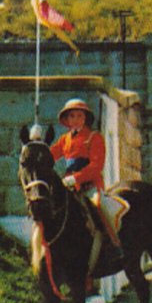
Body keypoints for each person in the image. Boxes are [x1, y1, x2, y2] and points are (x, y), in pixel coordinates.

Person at [50, 98, 122, 276]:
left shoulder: (94, 137)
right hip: (70, 187)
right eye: (72, 116)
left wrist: (76, 178)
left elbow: (96, 166)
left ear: (85, 118)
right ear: (66, 120)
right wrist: (36, 143)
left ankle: (113, 245)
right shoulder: (64, 139)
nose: (75, 120)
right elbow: (49, 156)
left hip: (90, 186)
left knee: (98, 207)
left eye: (79, 116)